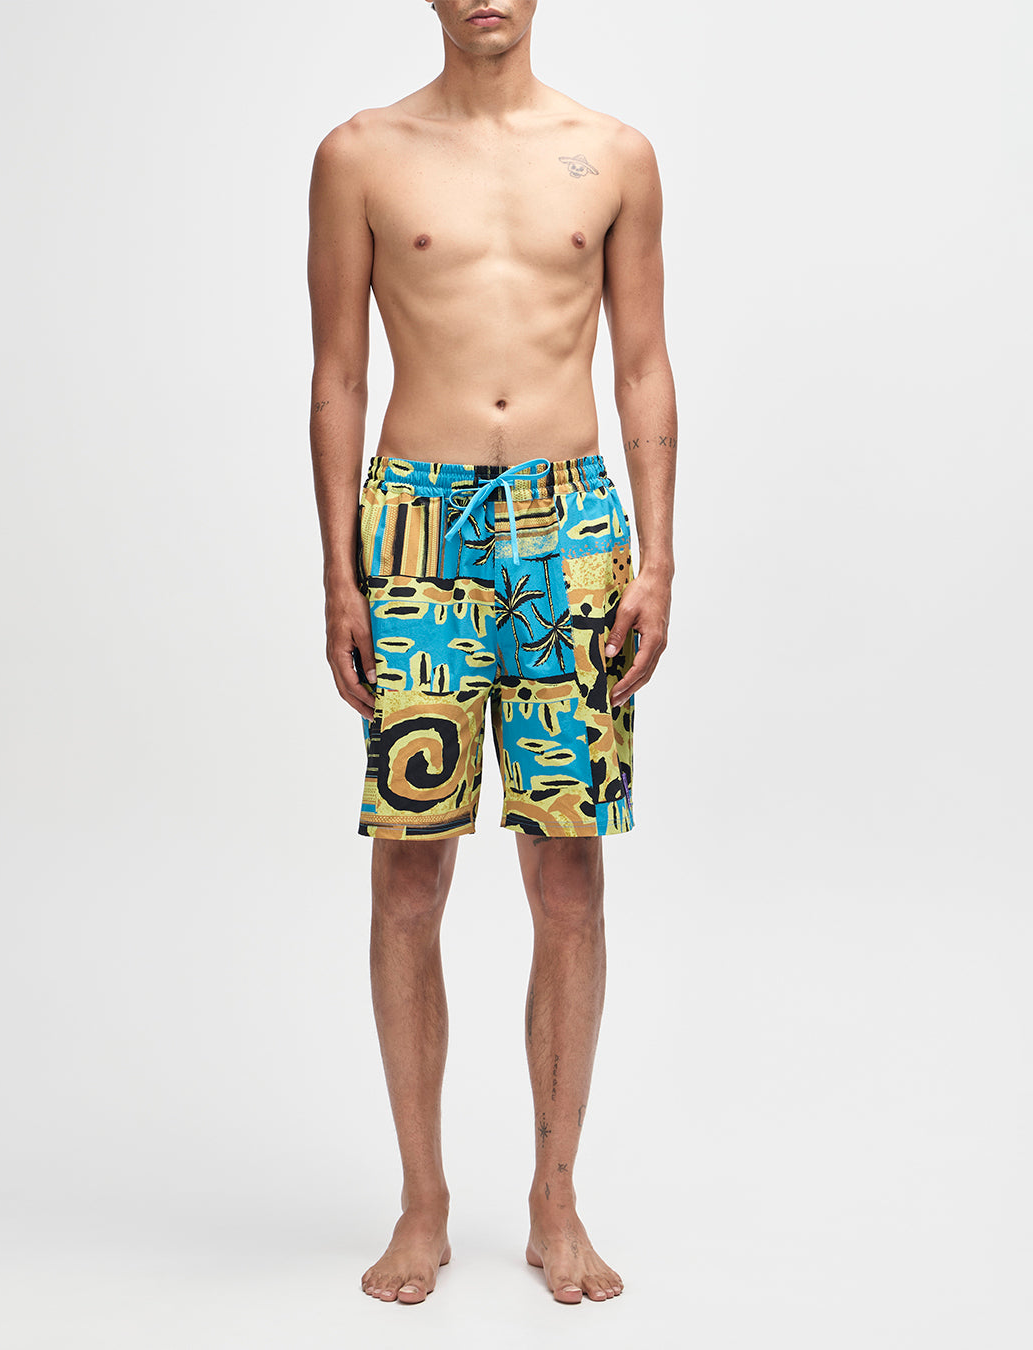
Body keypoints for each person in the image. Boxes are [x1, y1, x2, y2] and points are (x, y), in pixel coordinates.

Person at [306, 0, 677, 1307]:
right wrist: (342, 571)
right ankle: (423, 1200)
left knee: (567, 874)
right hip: (415, 525)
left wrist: (658, 556)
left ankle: (554, 1195)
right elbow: (338, 375)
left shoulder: (614, 153)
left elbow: (643, 366)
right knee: (410, 871)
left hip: (568, 527)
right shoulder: (361, 152)